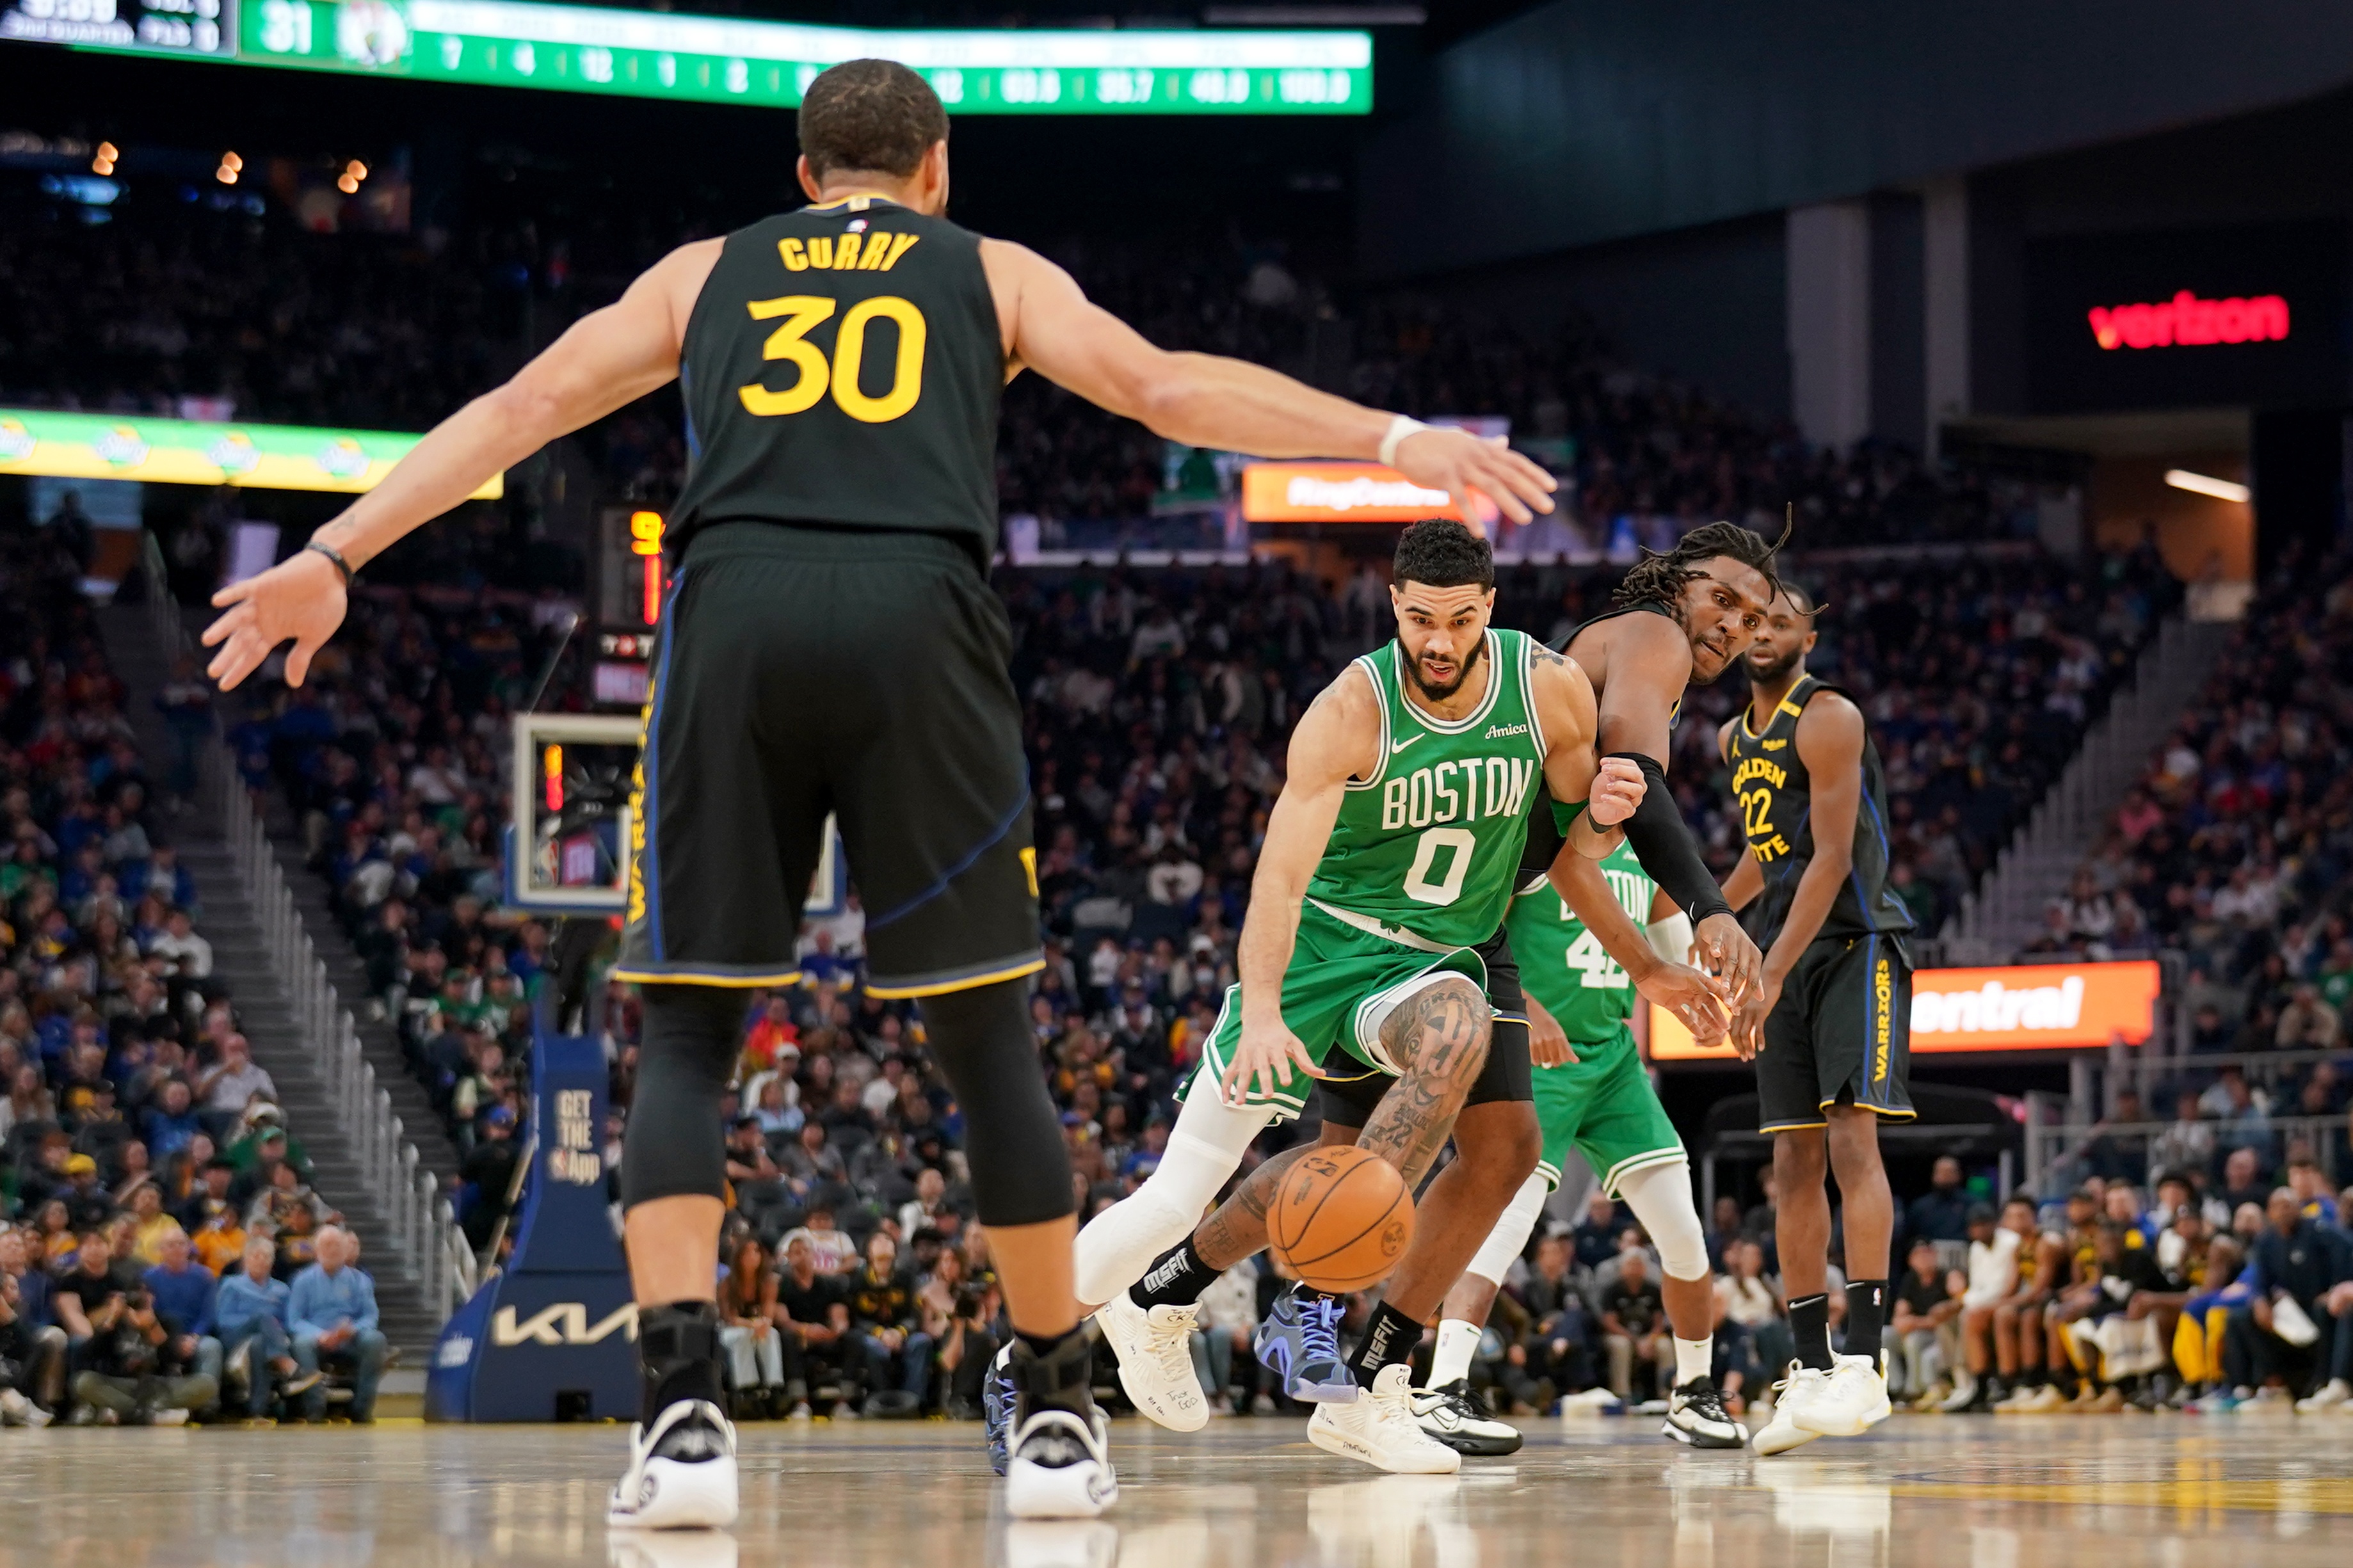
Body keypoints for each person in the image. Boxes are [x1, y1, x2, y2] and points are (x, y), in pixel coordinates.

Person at [200, 56, 1558, 1530]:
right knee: (985, 1036)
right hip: (921, 618)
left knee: (690, 1035)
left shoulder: (703, 273)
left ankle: (683, 1426)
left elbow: (524, 406)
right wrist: (1392, 438)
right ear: (937, 170)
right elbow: (1167, 390)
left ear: (803, 176)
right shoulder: (990, 272)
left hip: (735, 614)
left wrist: (331, 555)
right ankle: (1055, 1415)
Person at [1050, 521, 1707, 1478]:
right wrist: (1263, 1009)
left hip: (1451, 953)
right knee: (1179, 1196)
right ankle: (1101, 1322)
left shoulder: (1547, 688)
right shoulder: (1350, 708)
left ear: (1490, 608)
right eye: (1419, 618)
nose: (1438, 640)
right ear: (1393, 604)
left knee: (1500, 1134)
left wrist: (1611, 826)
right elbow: (1279, 881)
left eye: (1459, 620)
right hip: (1332, 952)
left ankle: (1366, 1371)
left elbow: (1577, 847)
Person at [1421, 836, 1744, 1453]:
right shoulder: (1538, 839)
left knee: (1683, 1230)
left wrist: (1704, 1005)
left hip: (1615, 1060)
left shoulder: (1646, 857)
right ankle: (1443, 1387)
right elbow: (1469, 939)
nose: (1629, 789)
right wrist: (1525, 1009)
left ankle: (1694, 1392)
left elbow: (1675, 958)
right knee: (1503, 1229)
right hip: (1537, 1057)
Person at [1714, 584, 1918, 1455]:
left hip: (1855, 946)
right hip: (1784, 953)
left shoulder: (1829, 715)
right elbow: (1769, 855)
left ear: (1809, 635)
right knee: (1791, 1160)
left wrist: (1766, 969)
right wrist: (1694, 912)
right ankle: (1808, 1369)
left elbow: (1830, 859)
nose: (1763, 632)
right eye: (1752, 621)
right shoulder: (1732, 737)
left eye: (1781, 622)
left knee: (1850, 1139)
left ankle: (1865, 1360)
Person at [286, 1226, 386, 1422]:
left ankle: (361, 1409)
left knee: (376, 1340)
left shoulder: (360, 1281)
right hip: (316, 1340)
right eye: (326, 1245)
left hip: (350, 1339)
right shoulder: (302, 1280)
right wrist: (320, 1335)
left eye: (336, 1245)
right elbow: (294, 1320)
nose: (332, 1250)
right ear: (316, 1250)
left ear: (345, 1250)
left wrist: (352, 1330)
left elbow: (370, 1317)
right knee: (301, 1344)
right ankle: (315, 1408)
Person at [215, 1234, 317, 1423]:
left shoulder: (282, 1290)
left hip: (270, 1340)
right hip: (235, 1337)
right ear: (246, 1259)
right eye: (256, 1256)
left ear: (272, 1261)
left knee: (260, 1342)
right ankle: (288, 1366)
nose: (262, 1260)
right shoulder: (231, 1285)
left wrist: (273, 1331)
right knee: (262, 1318)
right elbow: (223, 1321)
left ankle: (258, 1410)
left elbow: (288, 1322)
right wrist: (255, 1322)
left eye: (267, 1256)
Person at [1888, 1236, 1963, 1404]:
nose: (1924, 1259)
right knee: (1885, 1336)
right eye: (1919, 1255)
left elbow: (1952, 1312)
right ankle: (1895, 1388)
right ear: (1911, 1260)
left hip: (1940, 1335)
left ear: (1935, 1255)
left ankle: (1914, 1391)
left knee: (1914, 1340)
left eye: (1927, 1254)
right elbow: (1899, 1316)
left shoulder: (1947, 1277)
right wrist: (1907, 1322)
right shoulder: (1910, 1280)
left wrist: (1915, 1323)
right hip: (1920, 1330)